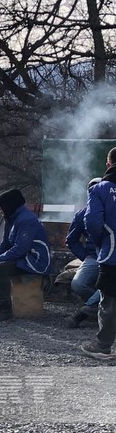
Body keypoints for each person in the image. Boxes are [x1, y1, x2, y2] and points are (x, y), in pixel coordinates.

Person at [0, 189, 51, 322]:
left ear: (10, 205)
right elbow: (5, 243)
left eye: (1, 206)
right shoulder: (11, 218)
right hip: (21, 257)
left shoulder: (27, 220)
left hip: (34, 260)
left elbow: (20, 248)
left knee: (0, 268)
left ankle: (5, 309)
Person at [82, 148, 116, 359]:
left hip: (112, 253)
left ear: (109, 164)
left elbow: (92, 223)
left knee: (110, 300)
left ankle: (103, 346)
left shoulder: (99, 190)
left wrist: (101, 243)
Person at [66, 177, 103, 328]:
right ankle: (99, 308)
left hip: (112, 258)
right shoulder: (82, 215)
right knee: (78, 284)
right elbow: (71, 240)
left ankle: (86, 310)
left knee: (110, 282)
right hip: (94, 257)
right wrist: (85, 256)